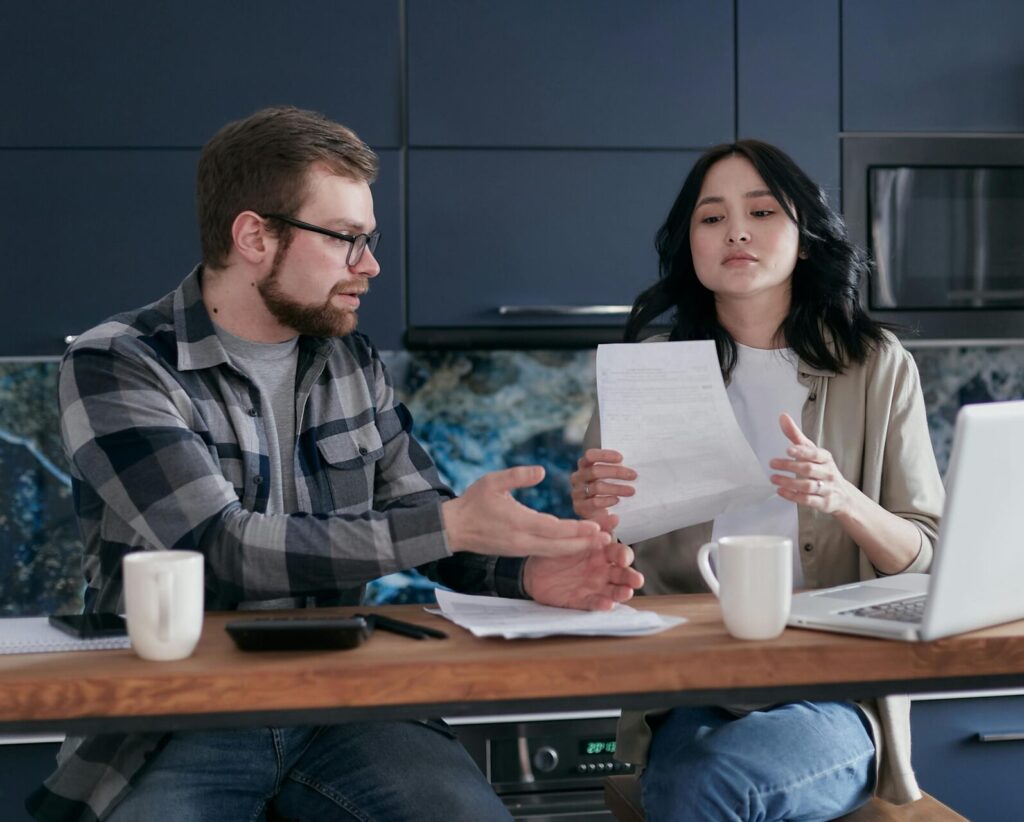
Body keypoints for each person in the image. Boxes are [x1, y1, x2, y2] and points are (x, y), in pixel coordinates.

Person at [27, 106, 643, 822]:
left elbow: (431, 523)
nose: (370, 266)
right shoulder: (118, 363)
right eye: (348, 239)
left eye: (369, 240)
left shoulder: (348, 357)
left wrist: (530, 574)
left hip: (349, 702)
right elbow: (215, 547)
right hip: (178, 716)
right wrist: (450, 525)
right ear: (255, 235)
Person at [571, 140, 945, 821]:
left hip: (834, 690)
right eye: (711, 218)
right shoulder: (648, 369)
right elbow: (606, 561)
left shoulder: (875, 365)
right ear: (690, 247)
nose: (736, 230)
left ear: (804, 238)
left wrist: (845, 499)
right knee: (693, 782)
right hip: (693, 686)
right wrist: (592, 514)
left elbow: (929, 555)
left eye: (762, 211)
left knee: (709, 789)